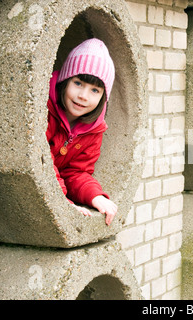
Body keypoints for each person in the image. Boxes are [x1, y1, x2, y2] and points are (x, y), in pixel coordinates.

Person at [46, 38, 117, 226]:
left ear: (103, 97)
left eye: (95, 90)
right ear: (65, 80)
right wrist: (63, 203)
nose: (83, 96)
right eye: (78, 83)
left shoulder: (94, 130)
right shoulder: (45, 110)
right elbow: (41, 160)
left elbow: (76, 172)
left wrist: (95, 196)